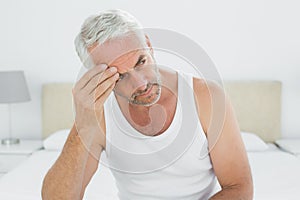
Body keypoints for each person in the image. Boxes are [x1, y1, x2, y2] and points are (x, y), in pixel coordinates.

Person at [42, 9, 253, 200]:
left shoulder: (207, 97)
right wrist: (83, 124)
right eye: (120, 77)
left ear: (149, 46)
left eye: (141, 62)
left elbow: (239, 188)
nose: (141, 84)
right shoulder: (99, 114)